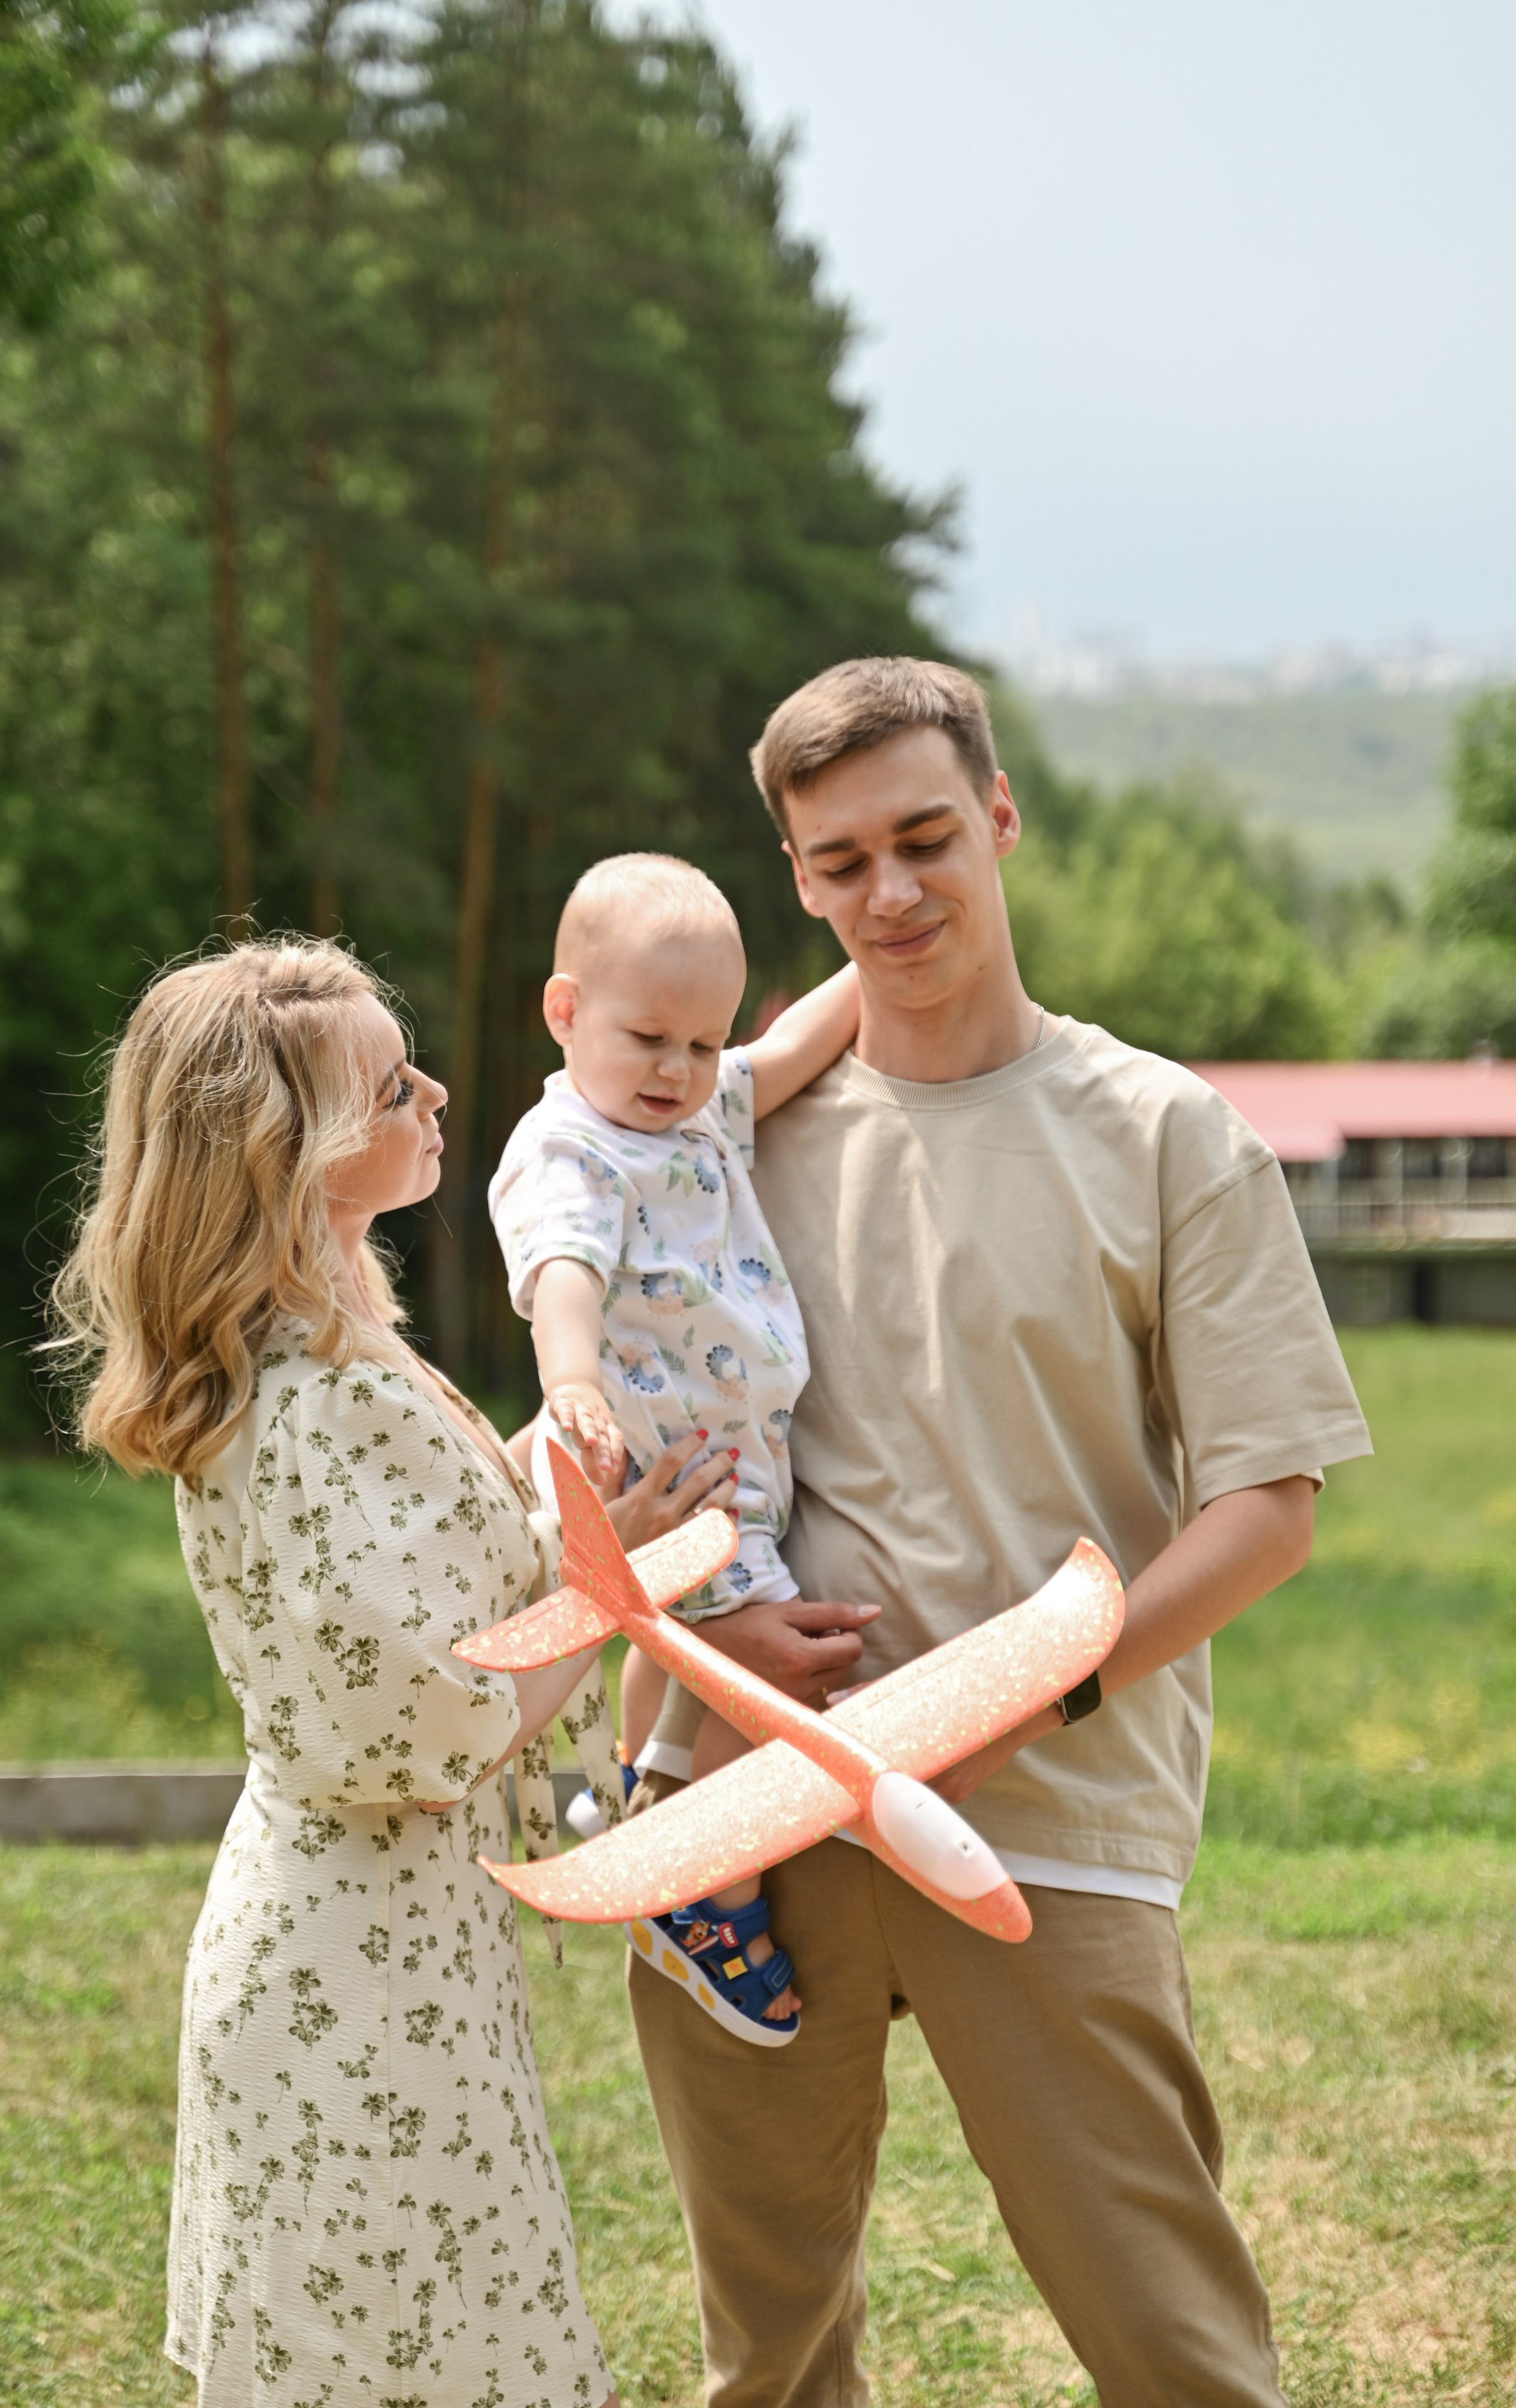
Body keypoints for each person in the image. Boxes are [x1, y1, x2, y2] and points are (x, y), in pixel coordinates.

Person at [624, 658, 1373, 2408]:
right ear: (796, 879)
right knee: (769, 2364)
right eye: (836, 861)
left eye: (924, 838)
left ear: (1003, 818)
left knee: (1176, 2348)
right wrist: (688, 1631)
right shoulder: (721, 1146)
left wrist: (1031, 1695)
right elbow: (631, 1444)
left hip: (1048, 1820)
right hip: (743, 1804)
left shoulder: (1167, 1134)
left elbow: (1268, 1511)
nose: (887, 892)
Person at [49, 938, 712, 2408]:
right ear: (287, 1149)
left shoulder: (334, 1344)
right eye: (389, 1082)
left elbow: (432, 1607)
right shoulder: (314, 1395)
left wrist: (576, 1528)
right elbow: (424, 1724)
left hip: (393, 1950)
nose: (434, 1093)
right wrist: (604, 1607)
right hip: (352, 1981)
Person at [488, 853, 860, 2043]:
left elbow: (792, 1045)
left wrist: (879, 956)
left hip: (730, 1478)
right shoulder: (576, 1154)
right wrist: (573, 1382)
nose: (677, 1072)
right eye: (649, 1038)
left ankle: (644, 1805)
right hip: (666, 1478)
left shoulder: (703, 1108)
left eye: (703, 1046)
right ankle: (709, 1893)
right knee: (773, 1673)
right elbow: (563, 1279)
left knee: (683, 1658)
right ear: (564, 1011)